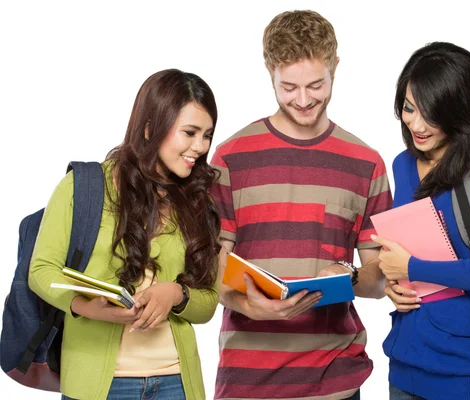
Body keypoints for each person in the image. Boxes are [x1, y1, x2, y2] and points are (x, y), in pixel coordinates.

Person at [210, 10, 392, 400]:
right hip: (248, 382)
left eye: (316, 85)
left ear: (335, 68)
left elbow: (380, 280)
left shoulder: (366, 162)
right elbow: (212, 268)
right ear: (269, 71)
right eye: (289, 87)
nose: (304, 100)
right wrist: (248, 305)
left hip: (334, 382)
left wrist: (347, 277)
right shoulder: (230, 158)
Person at [28, 69, 222, 400]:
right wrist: (87, 308)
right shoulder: (85, 187)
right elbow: (41, 271)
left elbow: (208, 303)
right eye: (190, 133)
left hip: (177, 383)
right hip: (97, 385)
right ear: (150, 128)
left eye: (206, 135)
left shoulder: (198, 200)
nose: (200, 147)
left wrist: (176, 294)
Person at [371, 42, 470, 400]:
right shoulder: (402, 164)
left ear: (459, 112)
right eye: (409, 108)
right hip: (405, 363)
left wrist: (414, 267)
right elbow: (406, 253)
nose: (415, 123)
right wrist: (393, 286)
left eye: (431, 114)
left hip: (463, 372)